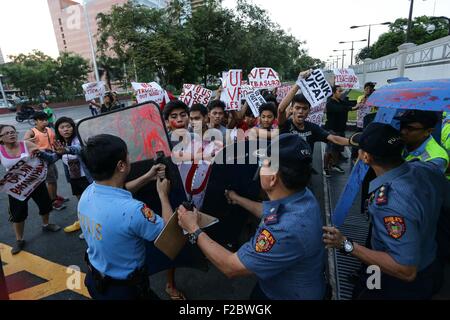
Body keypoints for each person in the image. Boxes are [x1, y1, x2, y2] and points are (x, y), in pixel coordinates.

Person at [178, 134, 327, 300]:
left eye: (263, 164)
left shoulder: (283, 231)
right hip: (283, 282)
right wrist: (238, 199)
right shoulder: (302, 194)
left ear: (272, 178)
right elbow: (272, 212)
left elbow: (231, 266)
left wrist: (193, 228)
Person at [324, 123, 449, 299]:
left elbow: (405, 269)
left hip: (398, 283)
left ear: (366, 157)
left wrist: (345, 244)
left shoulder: (389, 204)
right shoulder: (427, 170)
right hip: (431, 263)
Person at [79, 134, 171, 300]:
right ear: (121, 165)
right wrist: (163, 195)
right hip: (126, 292)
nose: (130, 158)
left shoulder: (89, 191)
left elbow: (119, 194)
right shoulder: (134, 211)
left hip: (96, 280)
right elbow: (169, 236)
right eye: (127, 156)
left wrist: (148, 177)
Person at [0, 124, 61, 255]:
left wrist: (40, 153)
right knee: (18, 214)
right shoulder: (0, 151)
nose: (11, 134)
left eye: (13, 132)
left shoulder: (26, 144)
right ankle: (19, 240)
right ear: (1, 138)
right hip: (17, 187)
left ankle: (46, 224)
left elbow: (46, 157)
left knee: (45, 205)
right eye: (7, 133)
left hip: (35, 182)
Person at [277, 71, 351, 178]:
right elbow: (281, 109)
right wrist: (299, 82)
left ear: (309, 111)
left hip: (304, 174)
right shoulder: (285, 125)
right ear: (292, 109)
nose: (300, 111)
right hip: (284, 174)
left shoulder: (312, 128)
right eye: (297, 108)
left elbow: (333, 138)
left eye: (304, 108)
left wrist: (352, 141)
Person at [51, 117, 93, 238]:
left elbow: (80, 149)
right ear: (58, 130)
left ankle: (92, 228)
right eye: (62, 127)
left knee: (92, 203)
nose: (66, 129)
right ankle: (84, 223)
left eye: (68, 126)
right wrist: (39, 153)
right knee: (81, 203)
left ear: (73, 127)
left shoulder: (79, 138)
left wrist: (67, 149)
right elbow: (53, 158)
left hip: (87, 177)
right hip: (74, 178)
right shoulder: (60, 143)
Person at [24, 112, 67, 210]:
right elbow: (24, 142)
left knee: (54, 178)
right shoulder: (32, 131)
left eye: (46, 120)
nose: (45, 122)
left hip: (51, 157)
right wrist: (29, 141)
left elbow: (55, 138)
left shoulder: (48, 129)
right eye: (42, 120)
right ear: (36, 121)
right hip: (41, 160)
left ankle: (54, 196)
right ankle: (53, 201)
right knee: (51, 181)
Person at [395, 110, 449, 175]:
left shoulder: (436, 159)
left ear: (428, 131)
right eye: (402, 125)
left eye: (410, 128)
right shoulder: (398, 141)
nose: (403, 132)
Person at [323, 85, 358, 175]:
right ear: (334, 93)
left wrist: (358, 103)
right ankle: (325, 168)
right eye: (339, 91)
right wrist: (352, 108)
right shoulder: (330, 103)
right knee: (329, 150)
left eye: (342, 91)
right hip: (332, 130)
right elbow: (340, 109)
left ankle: (334, 164)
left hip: (341, 129)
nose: (341, 92)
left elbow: (348, 104)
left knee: (337, 150)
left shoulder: (340, 101)